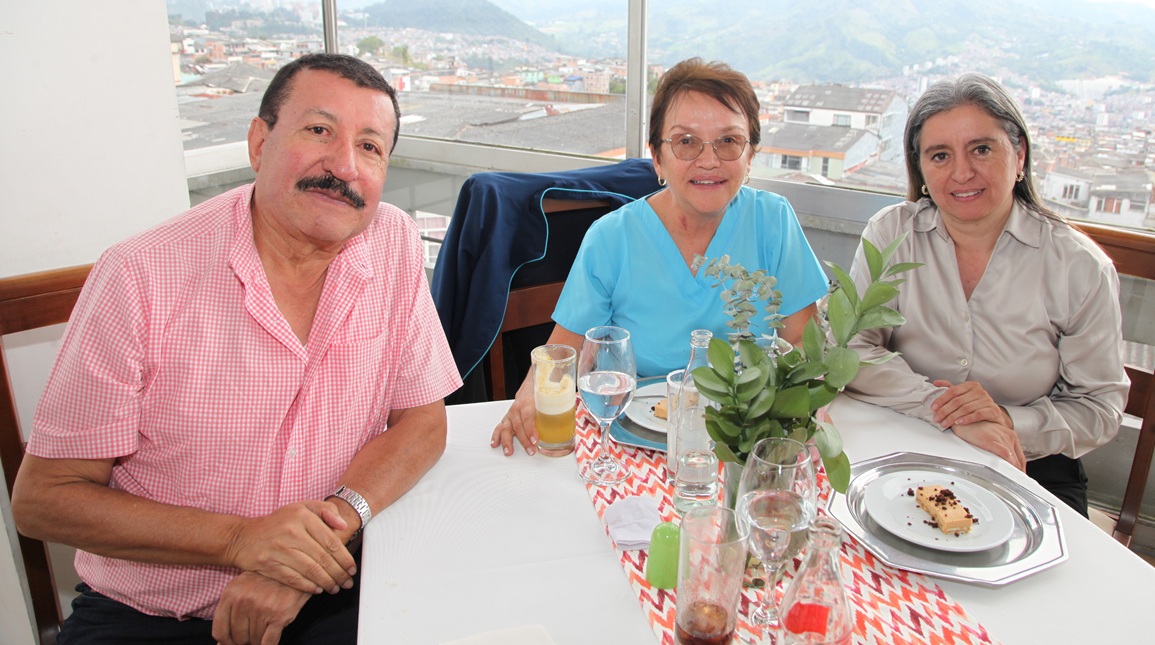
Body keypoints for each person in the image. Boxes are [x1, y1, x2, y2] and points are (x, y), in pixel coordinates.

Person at [11, 53, 462, 644]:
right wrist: (243, 542)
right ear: (259, 142)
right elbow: (45, 499)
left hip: (335, 578)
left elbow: (423, 420)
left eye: (371, 146)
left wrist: (317, 542)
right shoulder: (141, 275)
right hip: (154, 613)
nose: (344, 166)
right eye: (319, 130)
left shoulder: (392, 241)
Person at [492, 58, 829, 456]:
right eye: (685, 141)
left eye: (729, 141)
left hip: (746, 443)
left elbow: (804, 353)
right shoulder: (611, 238)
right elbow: (562, 355)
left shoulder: (773, 221)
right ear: (656, 157)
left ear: (751, 155)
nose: (708, 160)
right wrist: (531, 396)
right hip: (631, 443)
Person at [843, 72, 1129, 516]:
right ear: (920, 170)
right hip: (906, 435)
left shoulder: (1079, 266)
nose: (962, 172)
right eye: (940, 155)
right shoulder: (891, 233)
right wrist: (943, 407)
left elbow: (1100, 407)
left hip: (1031, 459)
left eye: (981, 148)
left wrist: (1004, 421)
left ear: (1019, 156)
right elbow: (851, 346)